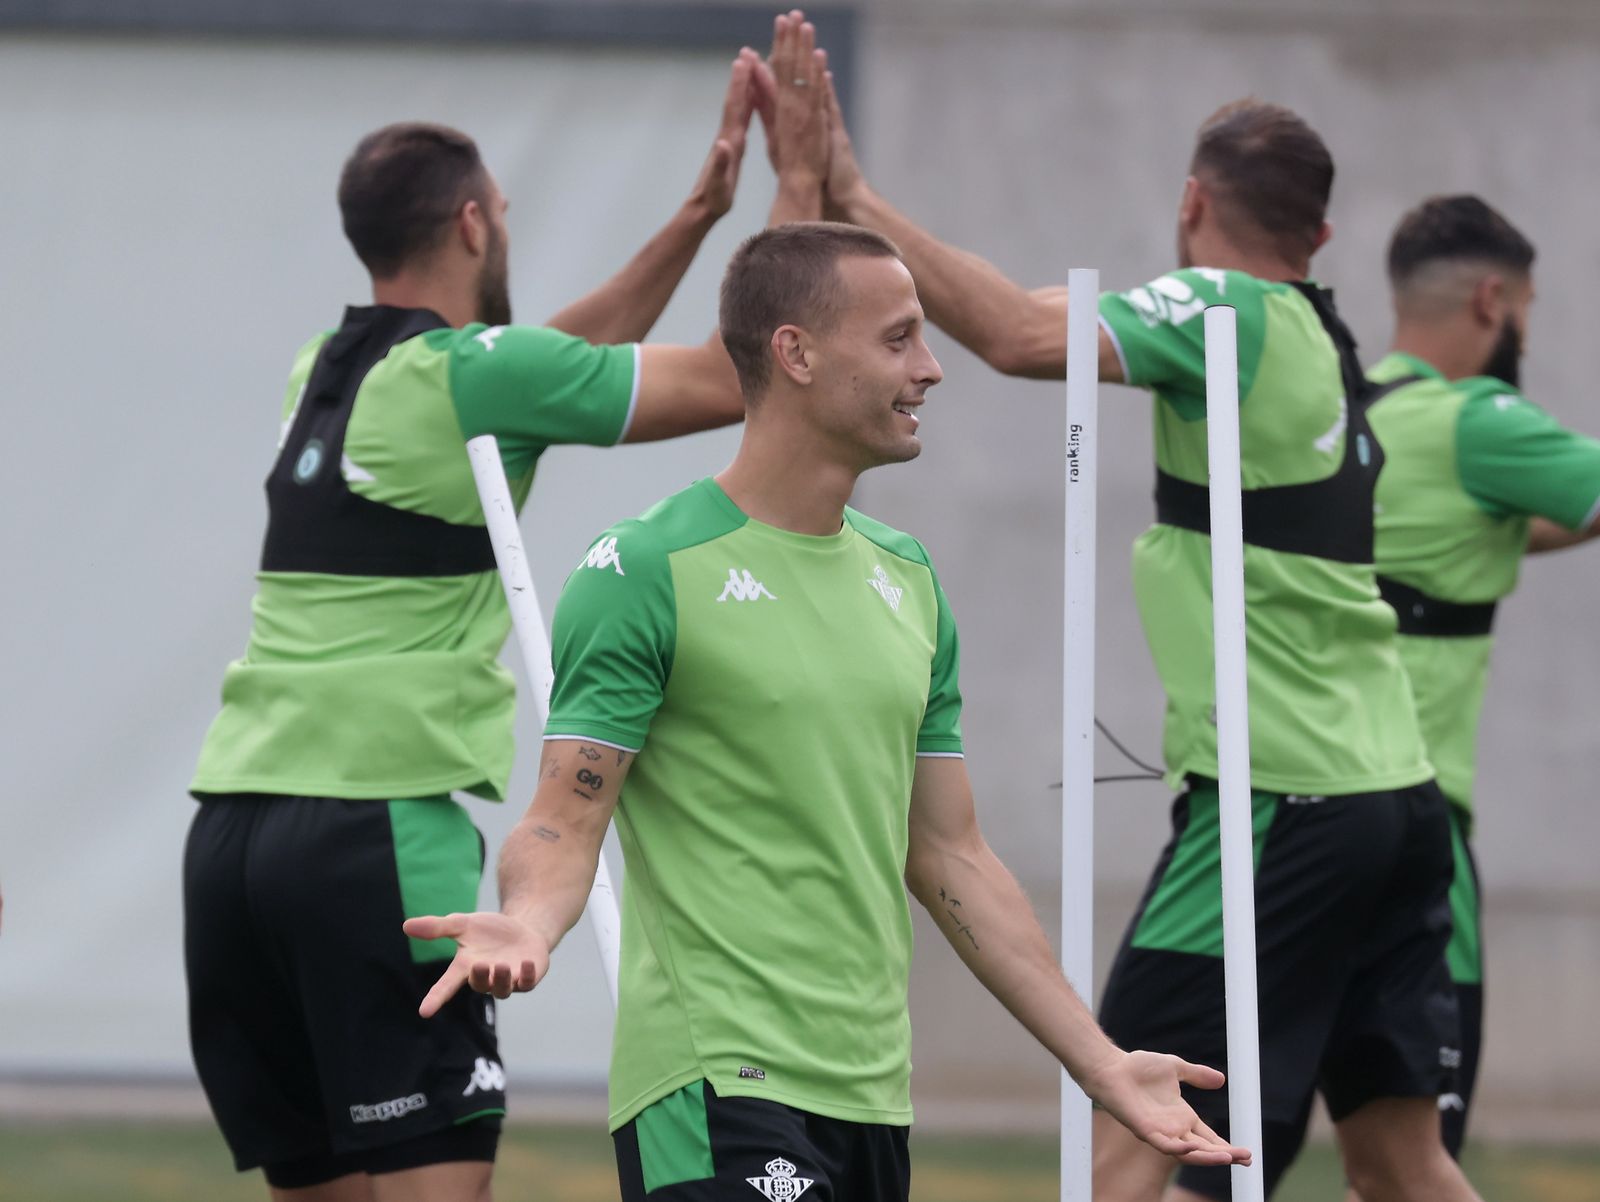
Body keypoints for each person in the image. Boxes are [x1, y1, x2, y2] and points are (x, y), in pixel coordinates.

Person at [406, 213, 1254, 1199]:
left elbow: (952, 857)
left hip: (872, 1101)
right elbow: (563, 819)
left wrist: (1100, 1064)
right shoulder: (642, 568)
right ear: (796, 354)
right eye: (899, 338)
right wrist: (528, 921)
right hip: (713, 1084)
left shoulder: (911, 580)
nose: (931, 368)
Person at [814, 87, 1482, 1202]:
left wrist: (854, 198)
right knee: (1403, 1165)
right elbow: (1045, 320)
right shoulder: (1322, 337)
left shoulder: (1225, 306)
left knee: (1126, 1132)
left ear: (1191, 203)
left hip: (1282, 800)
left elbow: (1024, 335)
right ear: (1321, 234)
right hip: (1397, 801)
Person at [184, 42, 822, 1201]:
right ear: (473, 224)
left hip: (230, 843)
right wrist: (799, 189)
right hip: (370, 829)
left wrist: (693, 218)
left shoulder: (328, 371)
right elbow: (738, 379)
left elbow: (552, 364)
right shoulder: (473, 375)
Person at [1246, 194, 1600, 1198]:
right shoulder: (1480, 421)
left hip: (1288, 825)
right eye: (1524, 312)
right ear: (1492, 301)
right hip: (1415, 843)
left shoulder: (1339, 422)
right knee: (1406, 1170)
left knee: (1222, 1156)